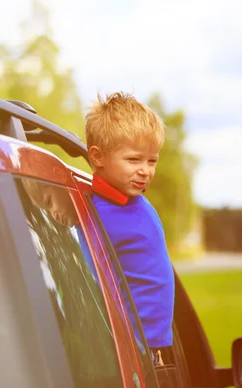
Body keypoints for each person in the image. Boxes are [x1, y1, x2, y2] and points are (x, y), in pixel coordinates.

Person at [85, 91, 175, 367]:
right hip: (126, 353)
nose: (146, 171)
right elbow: (91, 283)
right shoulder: (96, 214)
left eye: (152, 161)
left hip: (149, 350)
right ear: (98, 158)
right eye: (134, 160)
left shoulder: (132, 201)